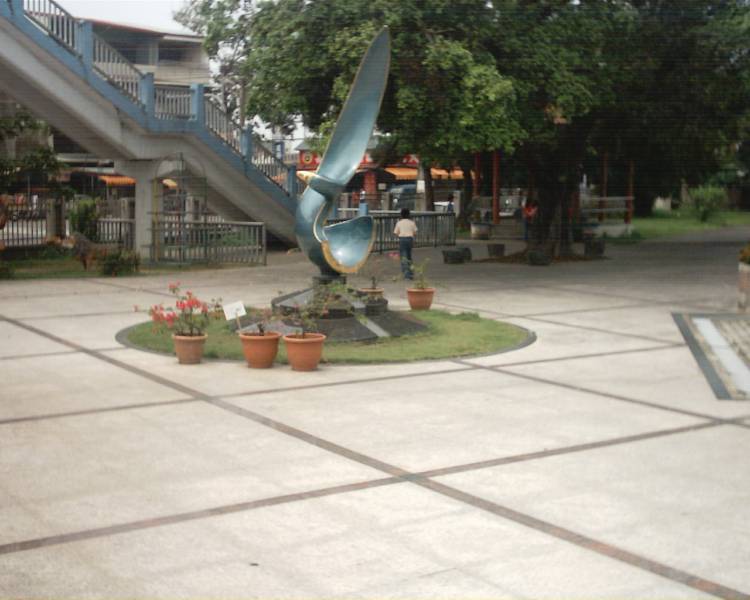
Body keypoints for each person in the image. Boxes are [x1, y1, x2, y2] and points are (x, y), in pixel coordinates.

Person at [393, 207, 417, 279]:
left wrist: (400, 236)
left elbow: (396, 232)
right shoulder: (412, 222)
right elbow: (415, 232)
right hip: (410, 239)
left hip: (402, 239)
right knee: (409, 256)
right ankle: (411, 273)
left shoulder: (399, 223)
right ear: (409, 214)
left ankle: (406, 274)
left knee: (403, 257)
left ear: (401, 215)